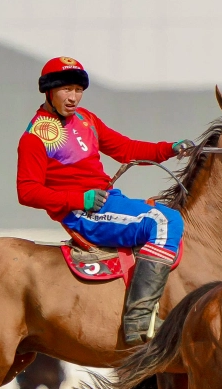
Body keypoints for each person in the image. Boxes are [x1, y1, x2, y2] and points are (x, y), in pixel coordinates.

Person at [16, 57, 193, 344]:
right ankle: (139, 320)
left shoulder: (86, 119)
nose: (73, 97)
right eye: (65, 90)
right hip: (83, 214)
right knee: (164, 221)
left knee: (170, 214)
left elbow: (126, 149)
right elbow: (27, 191)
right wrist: (79, 199)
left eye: (78, 89)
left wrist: (170, 149)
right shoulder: (35, 137)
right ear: (49, 92)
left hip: (110, 201)